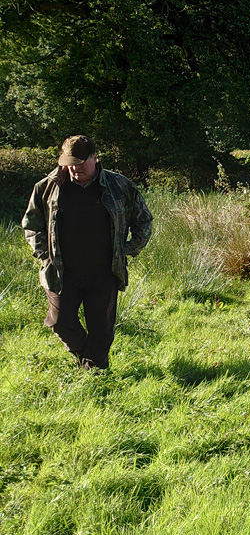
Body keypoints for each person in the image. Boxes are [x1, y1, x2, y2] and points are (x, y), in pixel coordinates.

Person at [21, 135, 153, 370]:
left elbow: (143, 221)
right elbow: (31, 225)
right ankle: (87, 359)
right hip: (62, 272)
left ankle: (97, 376)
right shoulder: (47, 187)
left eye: (80, 162)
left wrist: (128, 250)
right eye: (69, 162)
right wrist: (43, 254)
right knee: (60, 322)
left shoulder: (119, 186)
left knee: (101, 329)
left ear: (95, 158)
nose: (74, 168)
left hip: (104, 272)